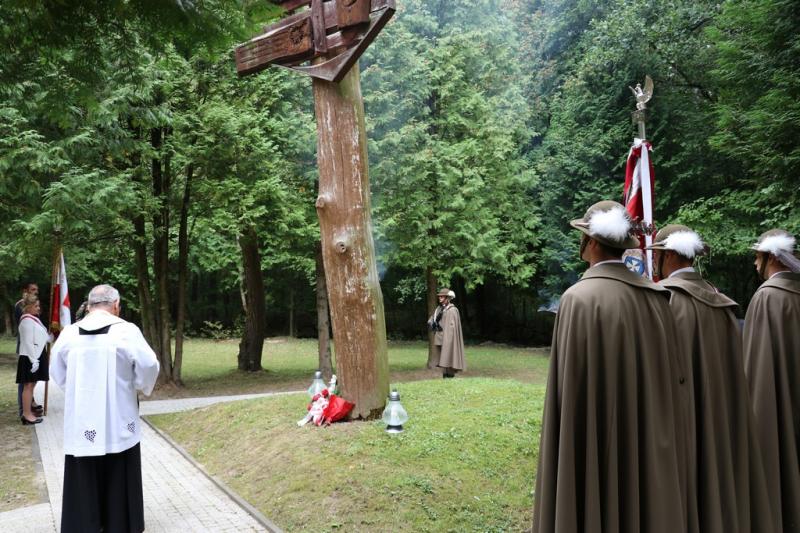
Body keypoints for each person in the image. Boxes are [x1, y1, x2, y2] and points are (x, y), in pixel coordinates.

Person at [533, 201, 697, 533]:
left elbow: (571, 397)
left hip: (595, 440)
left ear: (592, 242)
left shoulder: (578, 299)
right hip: (645, 441)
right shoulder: (657, 299)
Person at [648, 224, 774, 532]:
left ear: (668, 256)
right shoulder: (722, 304)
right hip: (720, 426)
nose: (653, 261)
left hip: (677, 428)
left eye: (656, 254)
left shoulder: (664, 301)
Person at [50, 284, 159, 533]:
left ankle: (85, 524)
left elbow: (56, 370)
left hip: (82, 420)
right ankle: (119, 523)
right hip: (118, 418)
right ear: (116, 305)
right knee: (119, 467)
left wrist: (76, 389)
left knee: (84, 472)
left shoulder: (69, 333)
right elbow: (149, 366)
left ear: (89, 306)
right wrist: (137, 385)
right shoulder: (127, 331)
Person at [743, 229, 800, 531]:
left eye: (758, 256)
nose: (755, 263)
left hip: (777, 408)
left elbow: (759, 369)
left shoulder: (768, 297)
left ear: (773, 258)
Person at [16, 296, 51, 425]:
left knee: (31, 385)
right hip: (30, 356)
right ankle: (26, 414)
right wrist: (34, 360)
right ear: (28, 307)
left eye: (38, 305)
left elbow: (39, 336)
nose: (38, 308)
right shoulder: (26, 321)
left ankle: (28, 412)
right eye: (36, 306)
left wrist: (49, 337)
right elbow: (28, 342)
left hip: (36, 355)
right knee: (28, 386)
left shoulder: (33, 319)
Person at [14, 282, 41, 418]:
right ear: (26, 290)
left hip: (35, 345)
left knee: (32, 379)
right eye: (33, 289)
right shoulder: (21, 305)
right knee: (25, 380)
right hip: (26, 345)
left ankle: (30, 404)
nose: (35, 291)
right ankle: (23, 410)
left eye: (36, 289)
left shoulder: (34, 304)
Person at [426, 288, 466, 378]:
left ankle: (450, 375)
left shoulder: (452, 310)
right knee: (442, 357)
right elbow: (432, 319)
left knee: (449, 356)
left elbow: (452, 327)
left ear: (447, 298)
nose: (440, 298)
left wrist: (449, 338)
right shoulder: (439, 309)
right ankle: (445, 374)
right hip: (440, 337)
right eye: (439, 296)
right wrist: (432, 323)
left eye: (442, 296)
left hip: (449, 338)